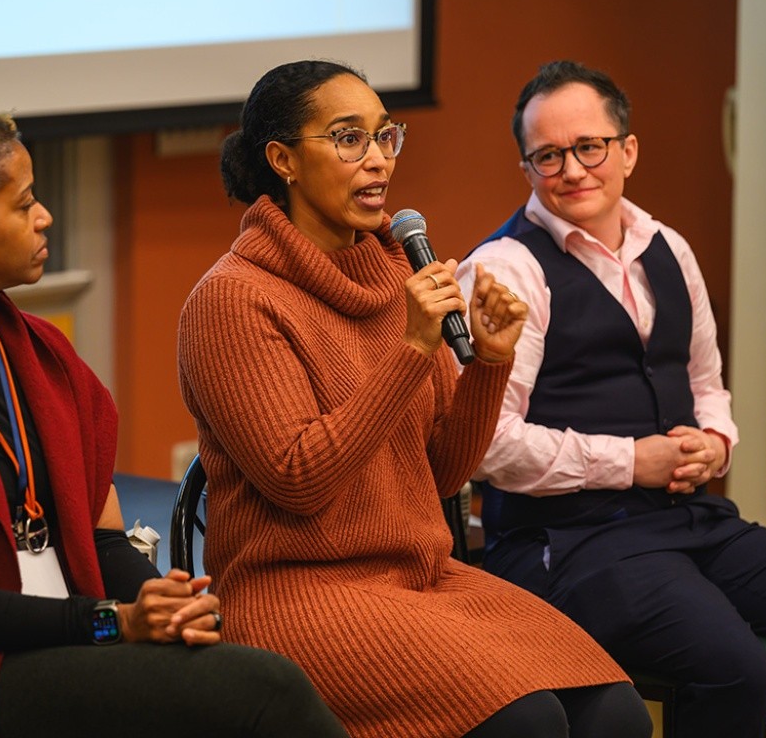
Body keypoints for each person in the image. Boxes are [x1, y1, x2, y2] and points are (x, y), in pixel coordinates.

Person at [0, 104, 350, 738]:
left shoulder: (38, 351)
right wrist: (110, 622)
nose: (45, 216)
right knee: (262, 693)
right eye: (24, 202)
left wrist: (155, 602)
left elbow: (104, 537)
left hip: (63, 635)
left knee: (241, 665)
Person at [176, 59, 652, 738]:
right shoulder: (231, 300)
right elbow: (299, 481)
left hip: (421, 576)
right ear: (281, 158)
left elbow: (441, 475)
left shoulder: (396, 267)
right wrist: (410, 351)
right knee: (527, 723)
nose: (378, 161)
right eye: (348, 139)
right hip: (299, 595)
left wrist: (488, 357)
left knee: (617, 714)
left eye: (385, 137)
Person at [456, 59, 766, 738]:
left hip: (688, 521)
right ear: (527, 168)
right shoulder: (506, 269)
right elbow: (486, 444)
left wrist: (714, 441)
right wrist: (631, 462)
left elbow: (707, 383)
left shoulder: (669, 248)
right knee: (737, 670)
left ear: (627, 150)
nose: (572, 169)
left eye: (589, 146)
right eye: (548, 155)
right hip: (564, 543)